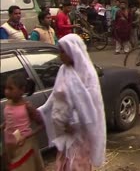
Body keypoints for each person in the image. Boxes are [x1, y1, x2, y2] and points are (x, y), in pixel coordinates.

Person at [38, 34, 106, 170]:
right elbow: (55, 95)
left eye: (63, 51)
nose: (60, 56)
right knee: (64, 162)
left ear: (72, 51)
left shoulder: (87, 74)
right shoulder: (64, 70)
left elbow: (91, 105)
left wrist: (74, 122)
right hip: (64, 132)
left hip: (79, 134)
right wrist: (42, 111)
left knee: (76, 165)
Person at [2, 73, 45, 171]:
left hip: (24, 145)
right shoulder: (8, 103)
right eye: (6, 88)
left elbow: (41, 125)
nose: (6, 91)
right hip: (10, 145)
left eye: (10, 88)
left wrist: (26, 136)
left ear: (22, 90)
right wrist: (3, 125)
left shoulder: (27, 106)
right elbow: (11, 120)